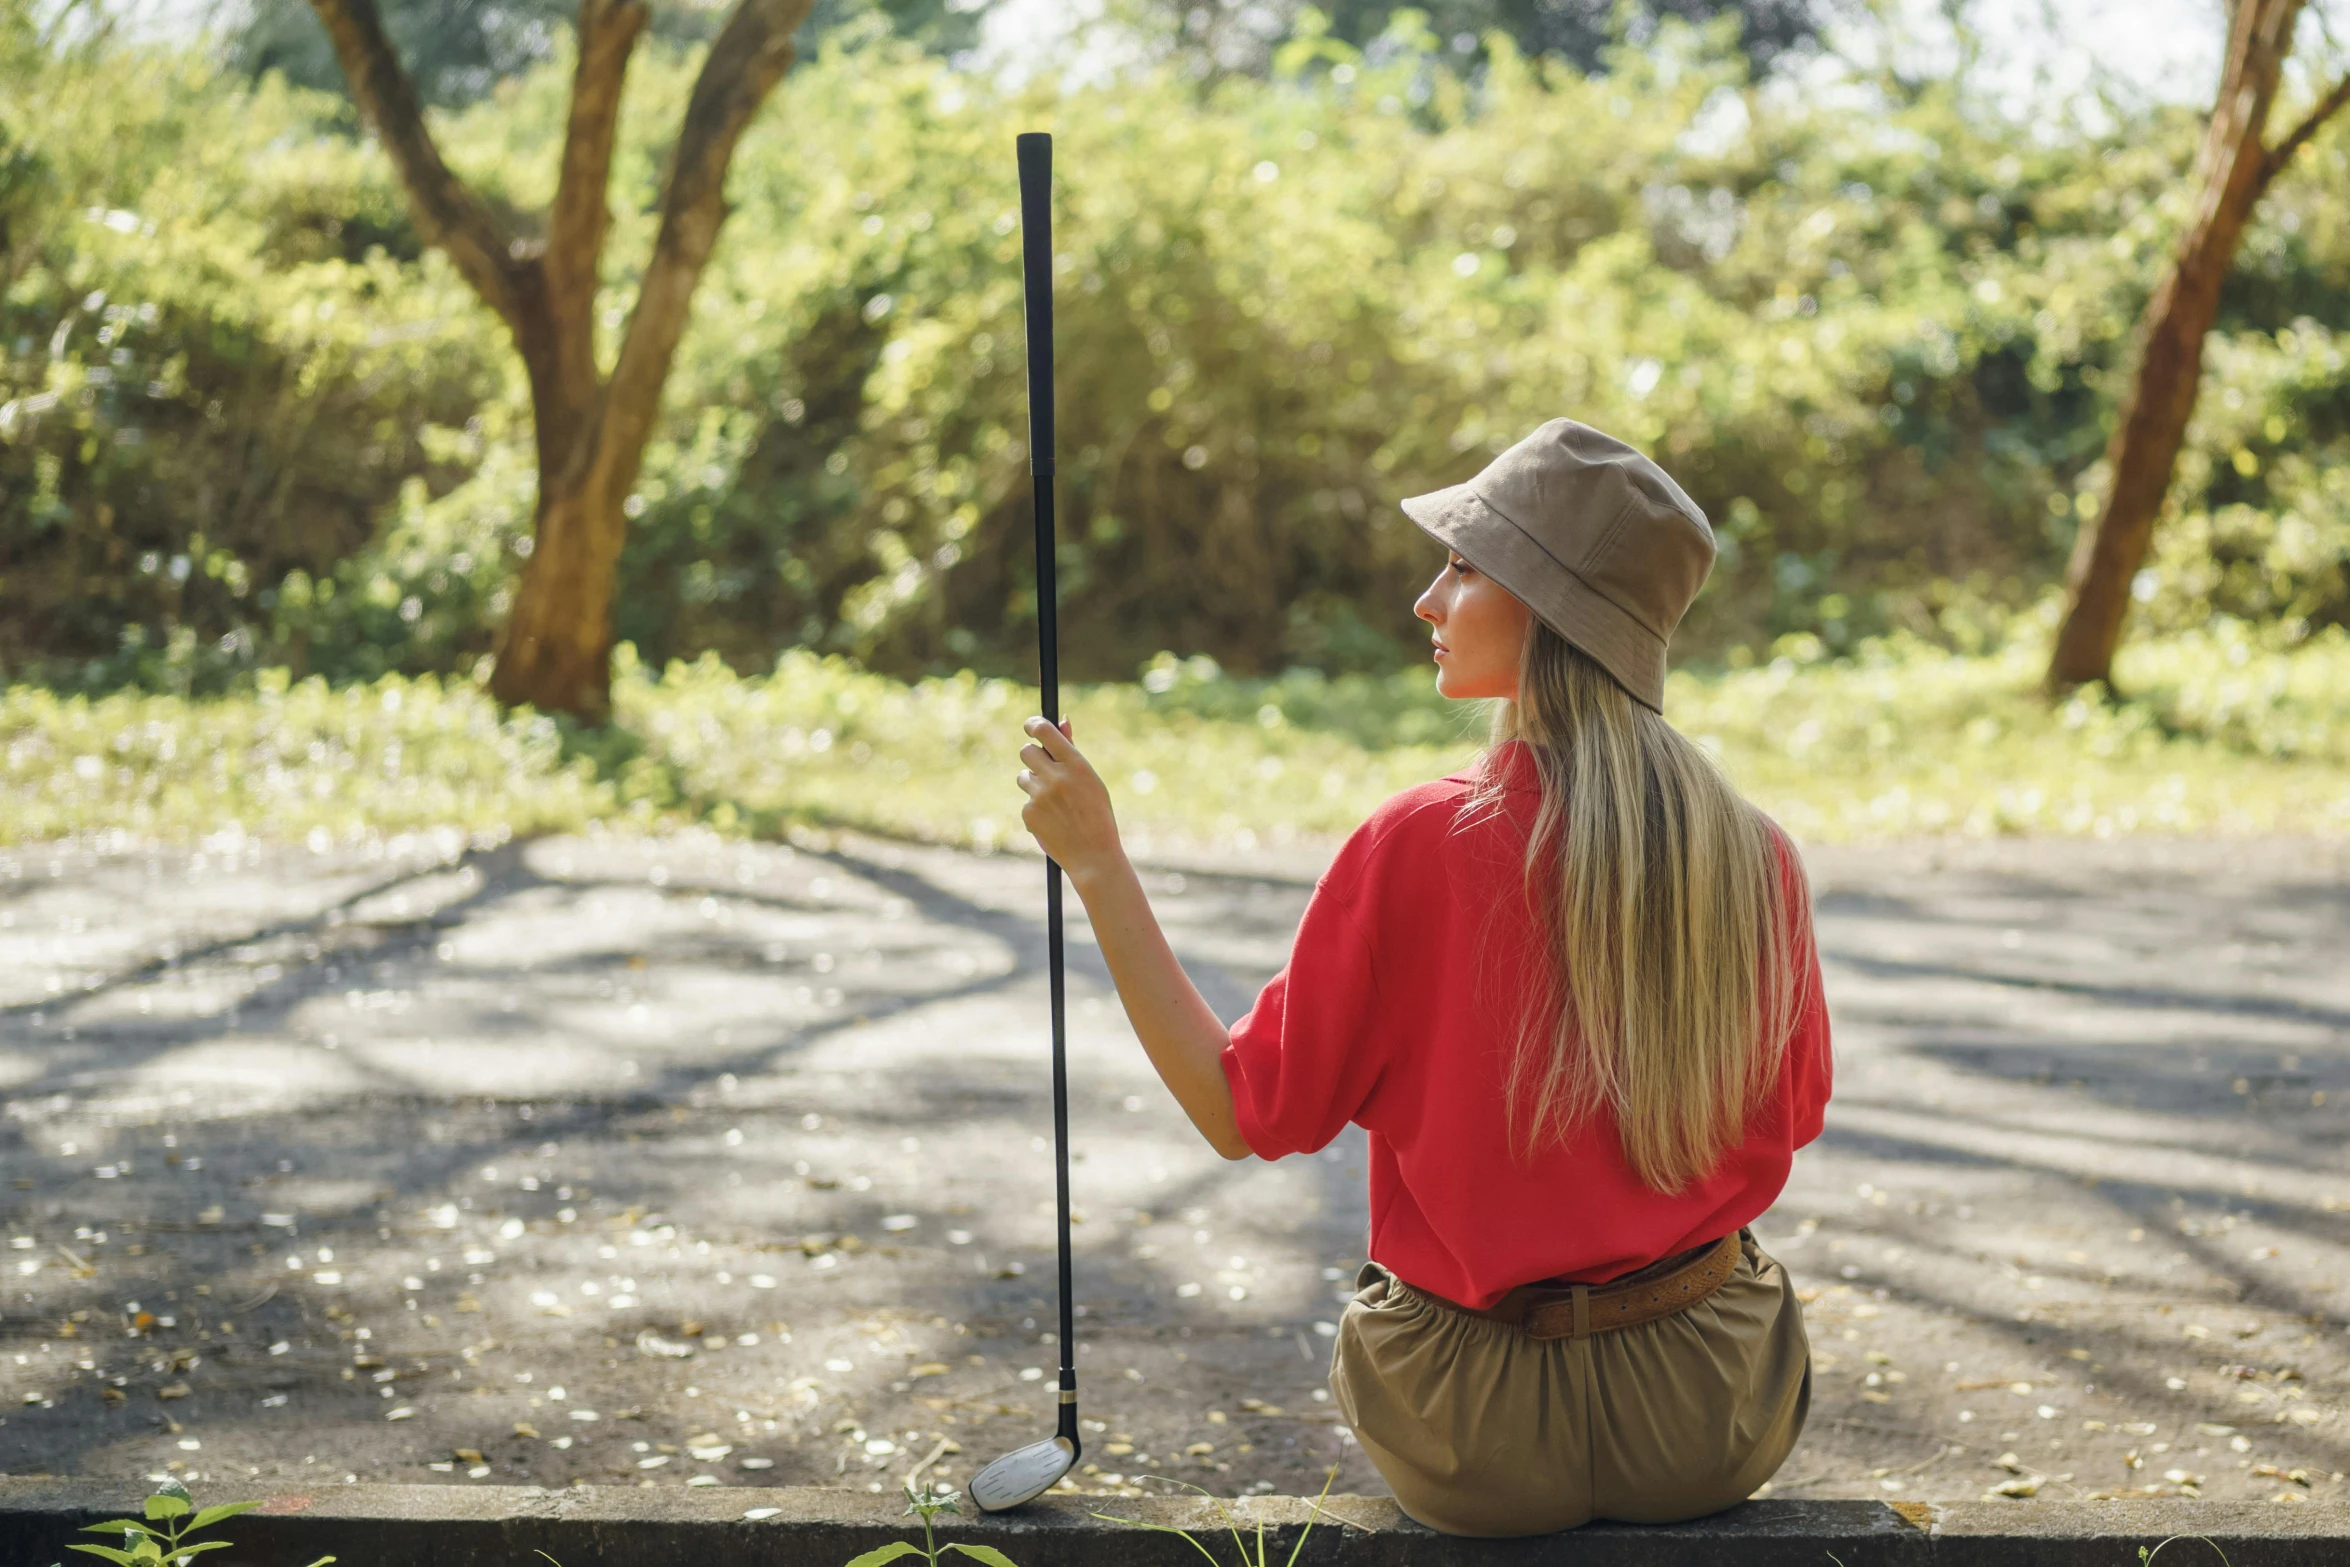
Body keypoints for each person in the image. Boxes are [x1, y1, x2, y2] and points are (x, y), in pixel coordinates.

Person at [1009, 417, 1831, 1536]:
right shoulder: (1753, 853)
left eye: (1461, 564)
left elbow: (1239, 1109)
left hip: (1474, 1435)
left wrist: (1099, 865)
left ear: (1546, 606)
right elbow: (1789, 1118)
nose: (1425, 601)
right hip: (1709, 1414)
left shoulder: (1421, 843)